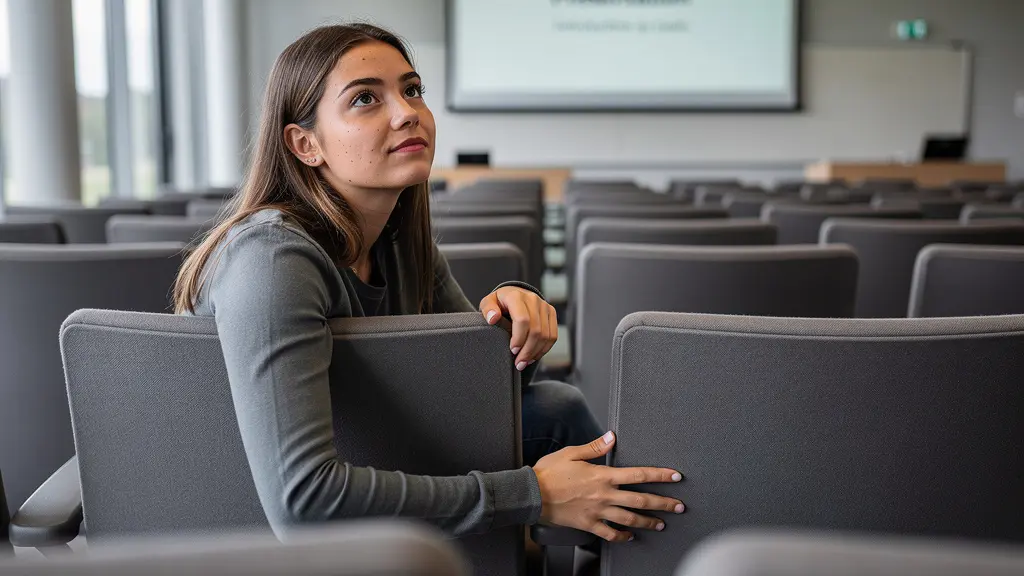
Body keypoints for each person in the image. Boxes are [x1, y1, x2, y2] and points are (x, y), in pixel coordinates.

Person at [173, 23, 683, 543]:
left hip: (368, 452)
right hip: (261, 530)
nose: (407, 112)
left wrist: (513, 326)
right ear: (305, 144)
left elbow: (482, 393)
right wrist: (534, 493)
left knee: (556, 406)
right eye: (366, 99)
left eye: (412, 90)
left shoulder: (399, 241)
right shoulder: (271, 258)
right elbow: (301, 502)